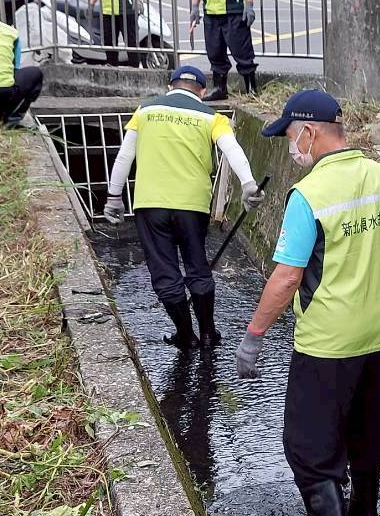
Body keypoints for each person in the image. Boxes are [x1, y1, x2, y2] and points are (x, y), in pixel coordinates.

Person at [234, 89, 380, 516]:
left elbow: (286, 278)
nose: (290, 147)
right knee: (367, 438)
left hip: (326, 348)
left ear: (310, 132)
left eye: (290, 137)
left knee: (310, 452)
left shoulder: (309, 194)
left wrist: (253, 337)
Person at [102, 65, 264, 350]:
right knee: (197, 267)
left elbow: (125, 154)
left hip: (150, 205)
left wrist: (114, 196)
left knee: (165, 272)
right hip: (192, 206)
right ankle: (209, 334)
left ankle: (185, 335)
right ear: (202, 91)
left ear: (170, 86)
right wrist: (249, 184)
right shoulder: (211, 116)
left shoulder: (146, 111)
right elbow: (232, 149)